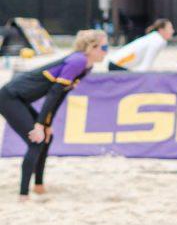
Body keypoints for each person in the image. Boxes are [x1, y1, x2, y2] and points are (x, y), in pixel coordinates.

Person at [0, 29, 108, 197]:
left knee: (47, 138)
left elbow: (60, 94)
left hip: (19, 99)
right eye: (104, 47)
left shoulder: (87, 66)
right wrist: (39, 125)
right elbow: (53, 94)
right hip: (9, 98)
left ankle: (39, 186)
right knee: (36, 141)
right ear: (92, 47)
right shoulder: (78, 61)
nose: (106, 52)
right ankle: (23, 194)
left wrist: (47, 125)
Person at [107, 19, 174, 71]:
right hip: (117, 64)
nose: (173, 31)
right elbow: (146, 64)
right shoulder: (157, 41)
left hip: (117, 63)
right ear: (161, 30)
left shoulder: (156, 38)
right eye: (170, 28)